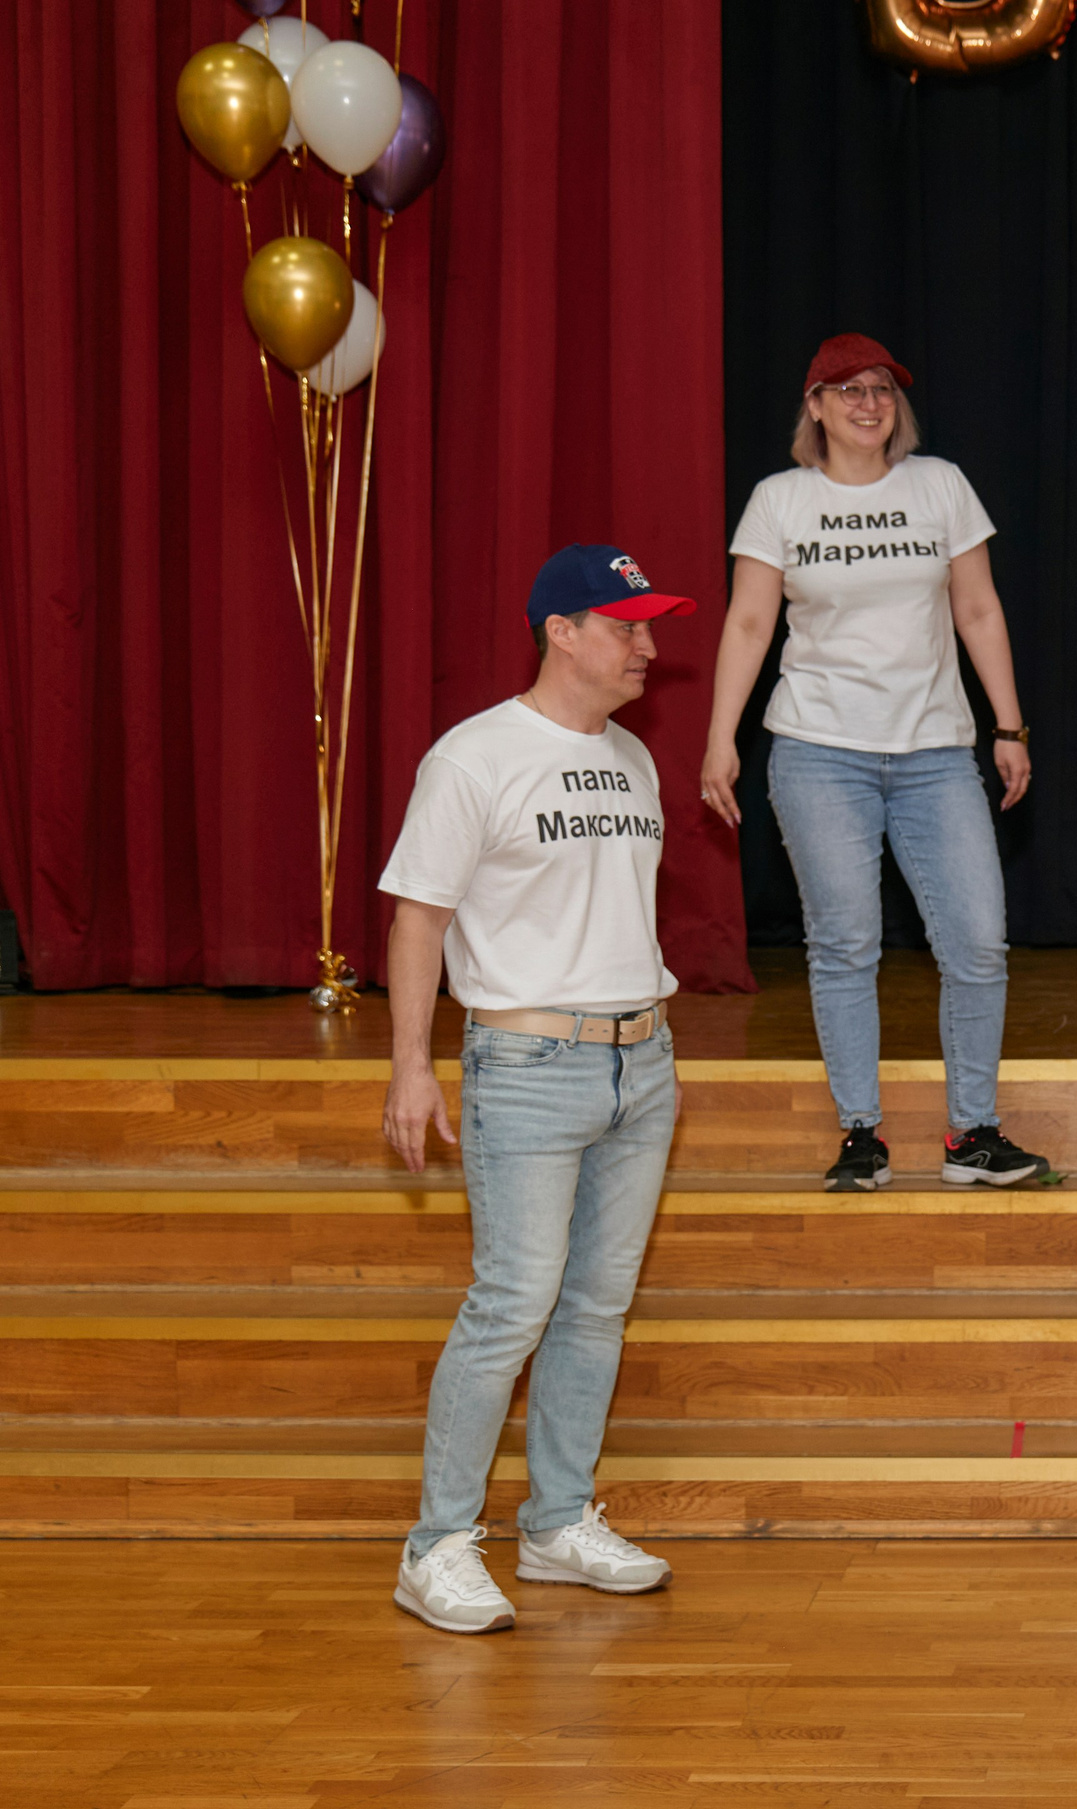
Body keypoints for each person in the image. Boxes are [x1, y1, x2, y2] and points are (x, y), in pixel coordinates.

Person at [377, 543, 696, 1635]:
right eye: (625, 626)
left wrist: (644, 1050)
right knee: (513, 1302)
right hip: (526, 1067)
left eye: (649, 627)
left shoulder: (634, 759)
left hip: (641, 1063)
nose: (646, 646)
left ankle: (557, 1521)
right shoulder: (474, 757)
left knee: (596, 1306)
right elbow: (419, 917)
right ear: (561, 631)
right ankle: (435, 1545)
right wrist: (412, 1064)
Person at [704, 332, 1047, 1191]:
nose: (869, 404)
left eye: (882, 390)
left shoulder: (940, 485)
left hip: (935, 753)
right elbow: (749, 623)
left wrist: (1009, 726)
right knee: (844, 944)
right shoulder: (780, 500)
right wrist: (720, 737)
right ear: (815, 406)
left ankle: (973, 1133)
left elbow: (978, 609)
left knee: (978, 942)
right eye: (849, 390)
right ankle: (861, 1131)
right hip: (819, 752)